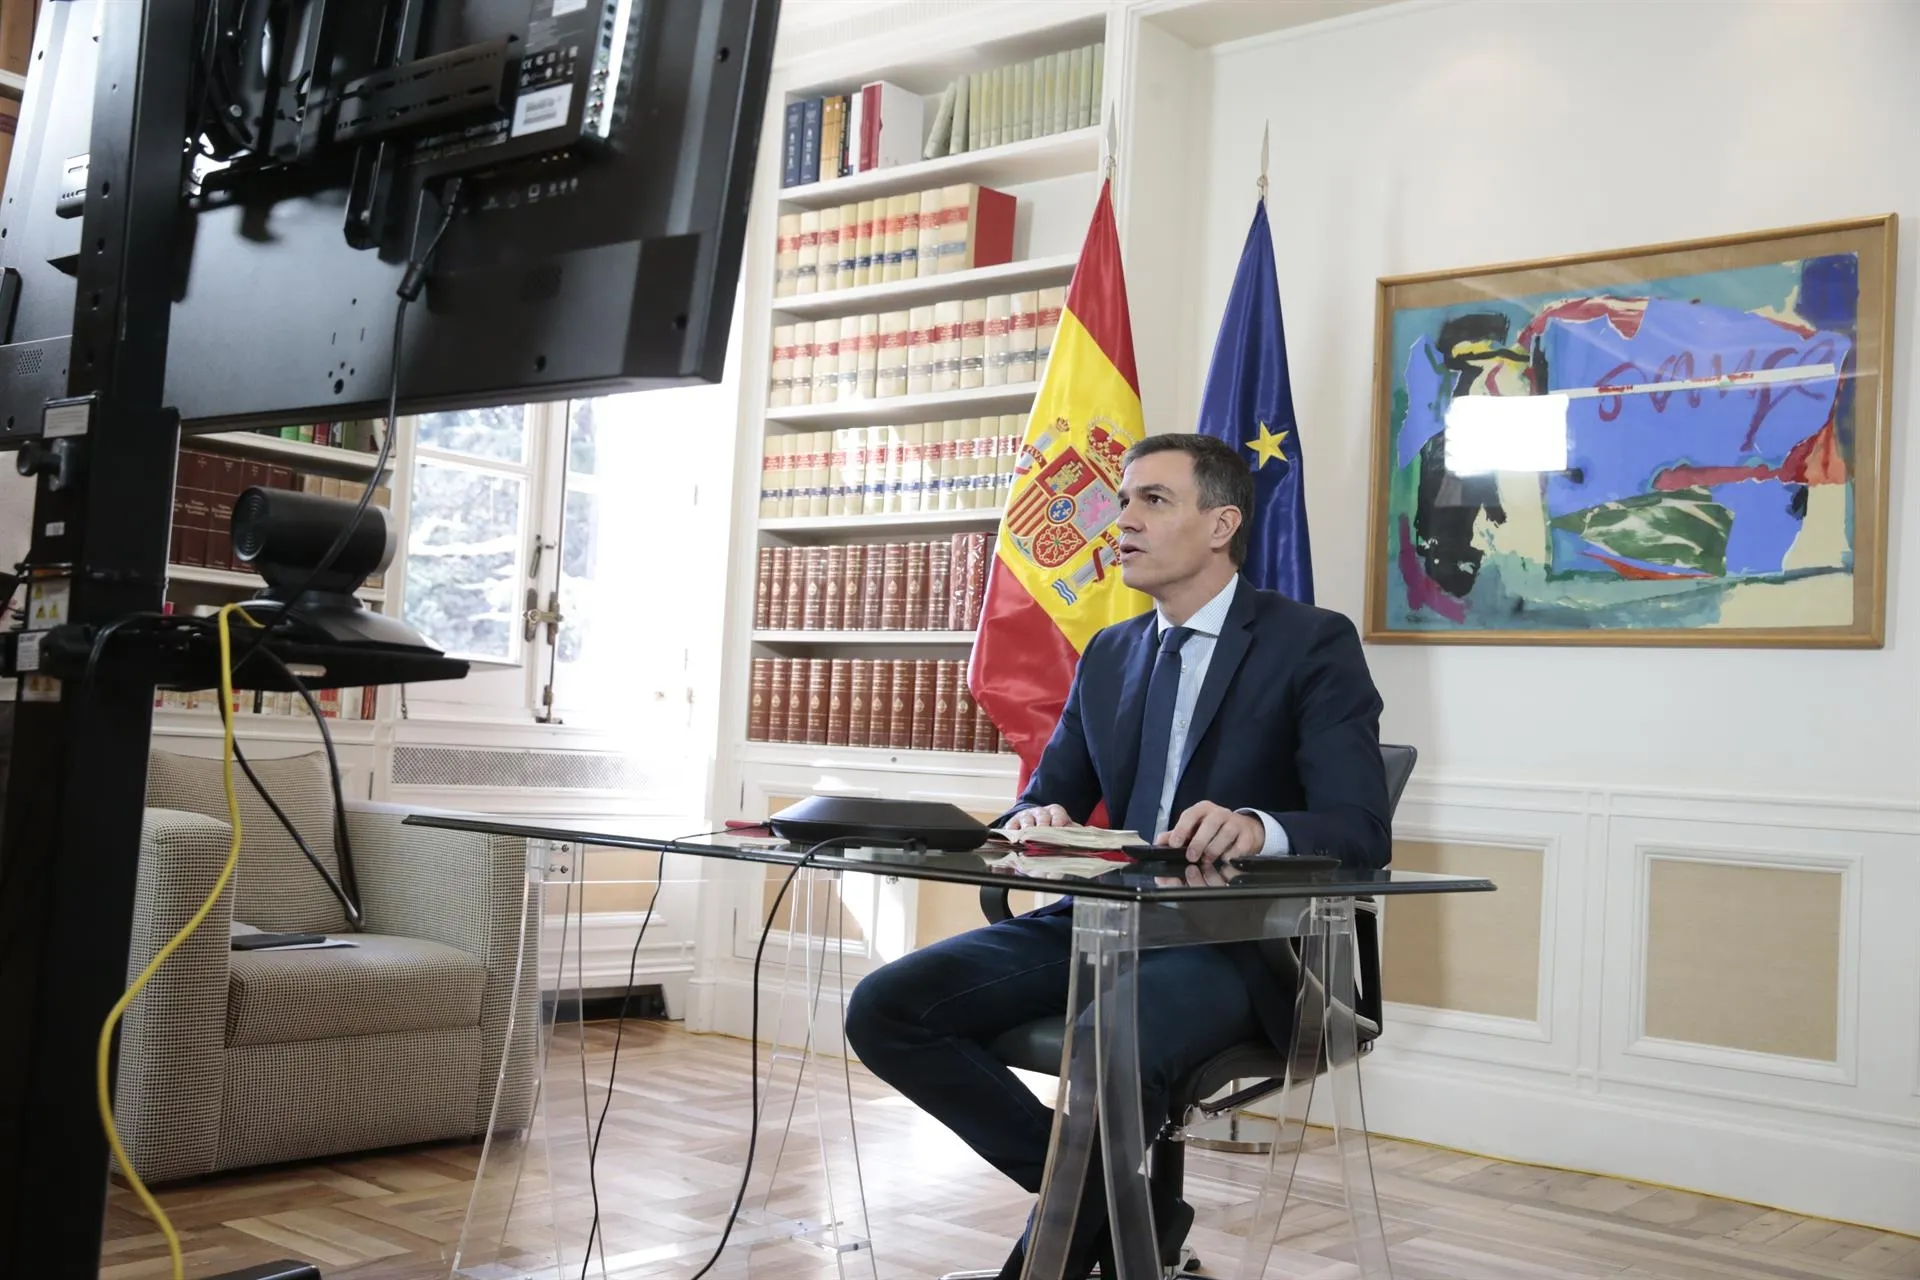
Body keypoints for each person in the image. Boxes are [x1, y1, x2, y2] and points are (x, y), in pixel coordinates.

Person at [843, 433, 1391, 1279]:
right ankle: (1138, 1210)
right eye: (1123, 500)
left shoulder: (1311, 643)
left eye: (1152, 501)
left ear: (1222, 524)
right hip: (1101, 923)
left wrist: (1258, 827)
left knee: (1109, 1041)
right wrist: (1034, 818)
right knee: (886, 1007)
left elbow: (1360, 829)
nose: (1122, 521)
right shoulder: (1111, 652)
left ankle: (1049, 1261)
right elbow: (1041, 797)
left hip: (1242, 945)